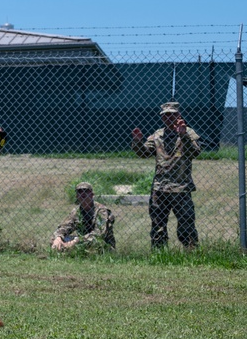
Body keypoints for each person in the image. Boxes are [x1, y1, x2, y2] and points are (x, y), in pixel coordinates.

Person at [132, 102, 201, 248]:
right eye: (165, 115)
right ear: (162, 118)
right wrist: (137, 142)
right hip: (160, 188)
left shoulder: (188, 133)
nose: (169, 118)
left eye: (172, 115)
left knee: (186, 225)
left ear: (179, 115)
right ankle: (159, 255)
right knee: (158, 225)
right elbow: (144, 153)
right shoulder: (157, 135)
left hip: (181, 188)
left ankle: (192, 254)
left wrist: (183, 136)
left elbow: (194, 152)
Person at [51, 182, 116, 252]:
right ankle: (66, 251)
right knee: (54, 240)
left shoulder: (101, 210)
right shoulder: (76, 211)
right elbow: (64, 227)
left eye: (86, 191)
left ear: (92, 195)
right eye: (80, 192)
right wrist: (58, 237)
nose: (83, 194)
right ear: (76, 196)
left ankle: (68, 252)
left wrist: (75, 242)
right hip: (82, 241)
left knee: (96, 243)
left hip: (101, 244)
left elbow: (99, 234)